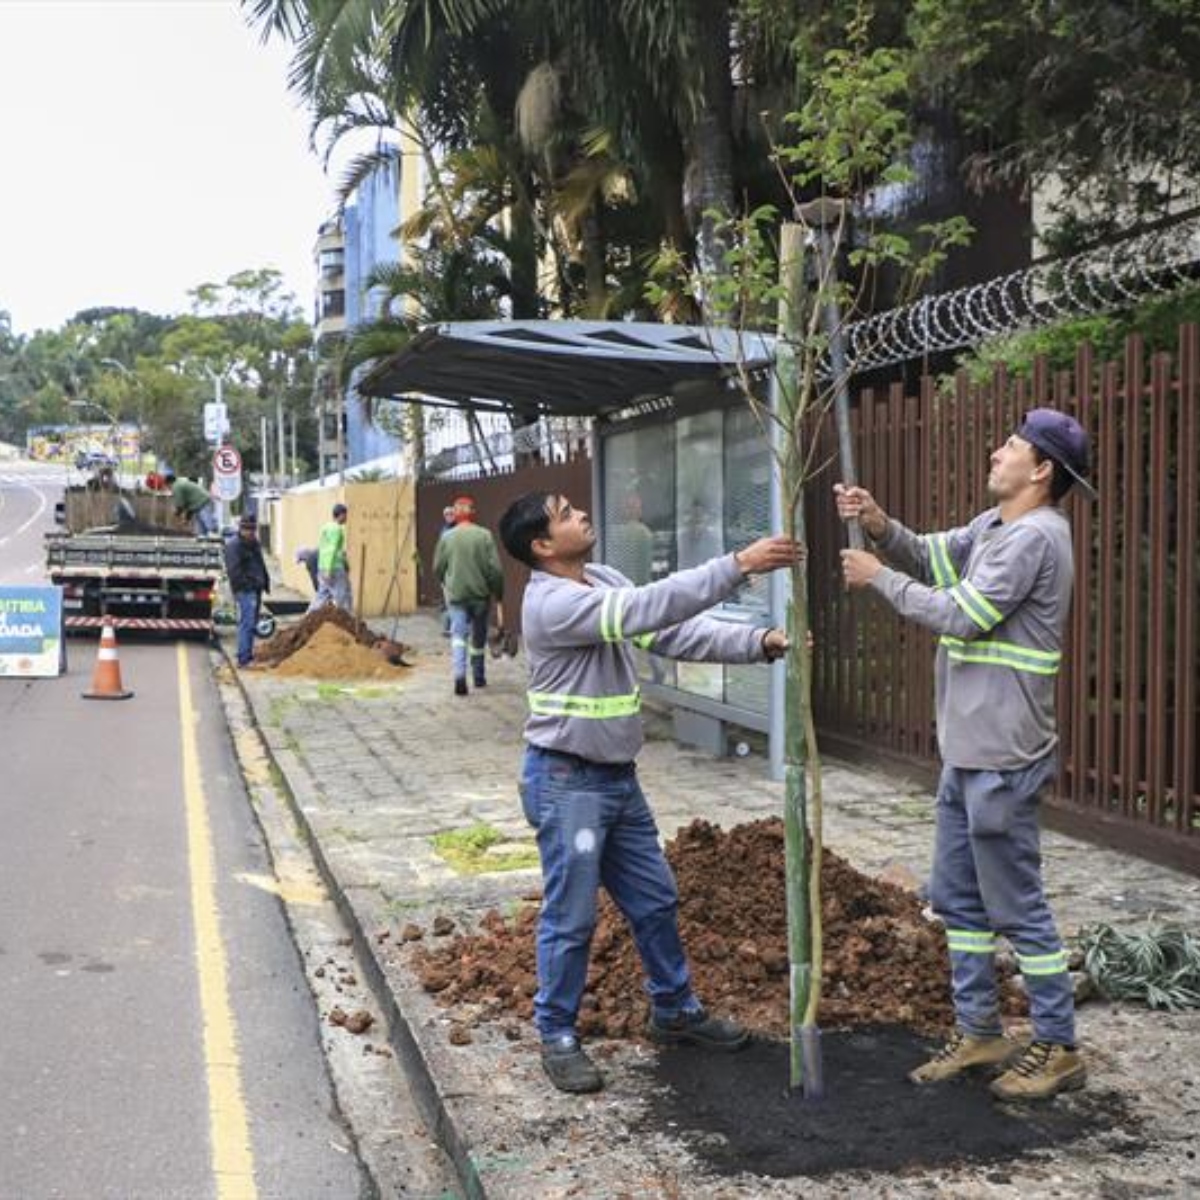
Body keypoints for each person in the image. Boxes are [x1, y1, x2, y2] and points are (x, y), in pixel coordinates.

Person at [497, 490, 800, 1094]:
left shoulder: (599, 578)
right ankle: (557, 1032)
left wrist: (758, 643)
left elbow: (673, 631)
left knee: (656, 899)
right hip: (567, 784)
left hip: (615, 779)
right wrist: (737, 565)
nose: (581, 513)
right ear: (541, 546)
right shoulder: (551, 604)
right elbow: (647, 607)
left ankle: (674, 1009)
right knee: (571, 916)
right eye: (564, 515)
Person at [836, 407, 1096, 1102]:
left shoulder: (1036, 539)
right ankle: (979, 1030)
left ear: (1041, 469)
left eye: (1010, 446)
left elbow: (963, 613)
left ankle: (1058, 1043)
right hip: (968, 750)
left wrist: (875, 576)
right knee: (960, 902)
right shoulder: (993, 528)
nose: (996, 451)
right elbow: (930, 556)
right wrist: (881, 527)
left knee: (1017, 904)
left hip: (1006, 753)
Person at [434, 496, 505, 696]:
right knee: (478, 637)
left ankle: (459, 675)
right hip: (480, 596)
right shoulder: (484, 536)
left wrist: (446, 581)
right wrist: (498, 592)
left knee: (458, 636)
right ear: (473, 513)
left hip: (457, 595)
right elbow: (496, 570)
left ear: (455, 514)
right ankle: (479, 677)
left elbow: (438, 567)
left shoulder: (447, 538)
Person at [224, 514, 270, 668]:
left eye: (252, 529)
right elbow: (234, 572)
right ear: (241, 528)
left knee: (251, 623)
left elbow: (260, 563)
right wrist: (247, 585)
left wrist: (264, 582)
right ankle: (244, 660)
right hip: (245, 590)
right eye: (247, 529)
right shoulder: (234, 546)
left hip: (255, 589)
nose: (250, 532)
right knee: (247, 623)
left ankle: (247, 656)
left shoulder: (254, 543)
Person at [309, 503, 352, 612]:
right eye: (346, 515)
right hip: (334, 567)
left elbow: (323, 548)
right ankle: (344, 621)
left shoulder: (326, 527)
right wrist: (329, 569)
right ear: (341, 515)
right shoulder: (337, 529)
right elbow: (331, 550)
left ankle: (308, 618)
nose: (347, 517)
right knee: (343, 595)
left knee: (322, 595)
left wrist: (325, 568)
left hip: (322, 566)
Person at [166, 471, 217, 536]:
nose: (169, 489)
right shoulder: (180, 483)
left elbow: (180, 504)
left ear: (168, 484)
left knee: (208, 524)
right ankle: (204, 539)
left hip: (203, 502)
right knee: (200, 529)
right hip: (201, 503)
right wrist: (187, 519)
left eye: (167, 487)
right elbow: (190, 507)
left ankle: (214, 536)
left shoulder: (176, 486)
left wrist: (176, 515)